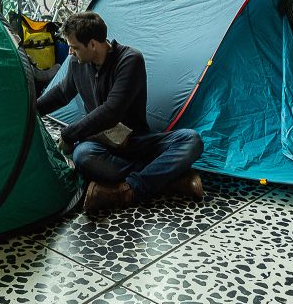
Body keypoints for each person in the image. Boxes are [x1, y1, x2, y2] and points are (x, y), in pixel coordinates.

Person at [36, 11, 204, 213]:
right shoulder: (77, 63)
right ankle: (168, 179)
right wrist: (30, 110)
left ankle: (126, 190)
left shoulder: (130, 60)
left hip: (135, 140)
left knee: (191, 140)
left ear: (92, 44)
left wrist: (68, 133)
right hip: (99, 144)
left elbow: (111, 111)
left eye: (74, 47)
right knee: (83, 156)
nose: (70, 52)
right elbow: (62, 93)